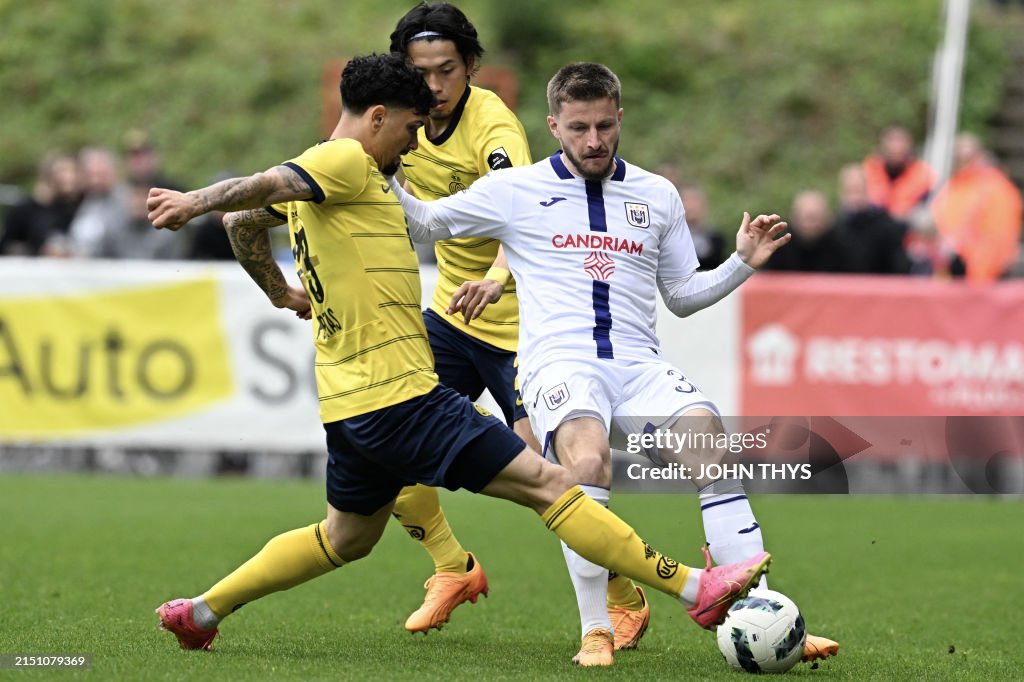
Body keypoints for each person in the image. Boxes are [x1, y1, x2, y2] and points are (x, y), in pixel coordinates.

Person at [147, 53, 770, 658]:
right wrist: (193, 201)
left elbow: (245, 223)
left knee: (346, 536)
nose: (414, 145)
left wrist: (282, 292)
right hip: (405, 397)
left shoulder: (344, 180)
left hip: (346, 400)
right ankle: (694, 586)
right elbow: (260, 187)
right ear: (377, 117)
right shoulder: (342, 161)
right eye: (411, 129)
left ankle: (201, 611)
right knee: (554, 482)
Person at [387, 62, 837, 666]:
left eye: (603, 125)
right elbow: (425, 222)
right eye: (577, 128)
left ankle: (762, 617)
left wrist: (742, 262)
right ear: (553, 125)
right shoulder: (515, 191)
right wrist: (381, 165)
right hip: (557, 366)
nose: (593, 141)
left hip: (637, 365)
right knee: (588, 459)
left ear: (620, 117)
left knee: (714, 449)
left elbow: (680, 296)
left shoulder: (656, 195)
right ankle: (597, 629)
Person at [385, 2, 549, 637]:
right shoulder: (399, 122)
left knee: (548, 474)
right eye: (419, 71)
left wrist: (497, 276)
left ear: (472, 66)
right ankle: (453, 567)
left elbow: (526, 215)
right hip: (452, 316)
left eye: (446, 70)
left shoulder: (495, 130)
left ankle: (620, 595)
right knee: (389, 442)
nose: (432, 85)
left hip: (520, 326)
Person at [930, 132, 1023, 282]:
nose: (962, 163)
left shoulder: (997, 188)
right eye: (958, 158)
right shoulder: (954, 186)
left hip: (980, 266)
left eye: (967, 158)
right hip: (954, 258)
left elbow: (1000, 237)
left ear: (980, 157)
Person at [833, 164, 911, 274]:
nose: (855, 198)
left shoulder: (887, 227)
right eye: (849, 191)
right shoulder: (836, 229)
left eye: (858, 190)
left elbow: (899, 266)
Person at [0, 151, 81, 256]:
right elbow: (6, 245)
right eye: (63, 171)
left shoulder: (70, 211)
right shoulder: (23, 210)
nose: (70, 177)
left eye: (73, 171)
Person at [862, 125, 935, 221]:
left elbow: (929, 207)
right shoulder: (870, 169)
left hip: (907, 226)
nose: (896, 147)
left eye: (900, 141)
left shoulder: (923, 174)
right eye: (892, 141)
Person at [762, 190, 846, 273]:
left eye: (814, 218)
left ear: (828, 218)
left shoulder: (842, 245)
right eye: (805, 218)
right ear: (794, 217)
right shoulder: (778, 245)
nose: (810, 225)